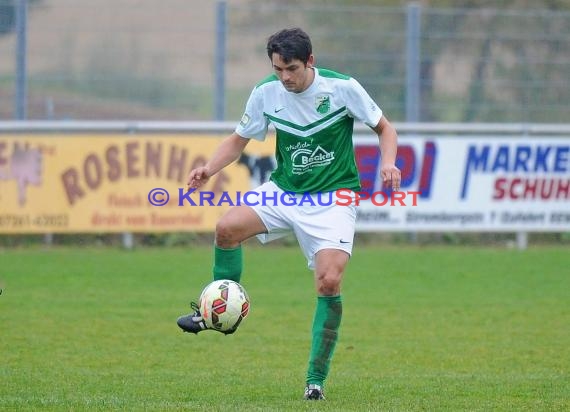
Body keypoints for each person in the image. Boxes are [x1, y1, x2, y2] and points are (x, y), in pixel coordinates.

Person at [177, 27, 401, 401]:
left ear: (310, 61)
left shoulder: (342, 87)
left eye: (292, 69)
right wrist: (209, 168)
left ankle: (315, 381)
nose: (285, 77)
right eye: (278, 69)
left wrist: (389, 163)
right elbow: (239, 139)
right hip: (285, 192)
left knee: (329, 282)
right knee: (226, 229)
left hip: (333, 198)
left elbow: (385, 128)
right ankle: (217, 308)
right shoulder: (267, 92)